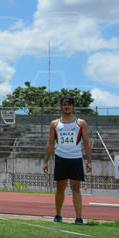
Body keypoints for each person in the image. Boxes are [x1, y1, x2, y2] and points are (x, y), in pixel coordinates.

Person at [42, 95, 93, 224]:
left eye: (69, 105)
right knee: (60, 189)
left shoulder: (80, 123)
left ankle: (79, 217)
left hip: (76, 158)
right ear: (61, 106)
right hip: (60, 158)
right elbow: (50, 143)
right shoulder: (55, 124)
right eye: (64, 104)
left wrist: (89, 161)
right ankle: (58, 215)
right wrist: (45, 161)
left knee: (76, 189)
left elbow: (86, 143)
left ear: (73, 107)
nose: (67, 107)